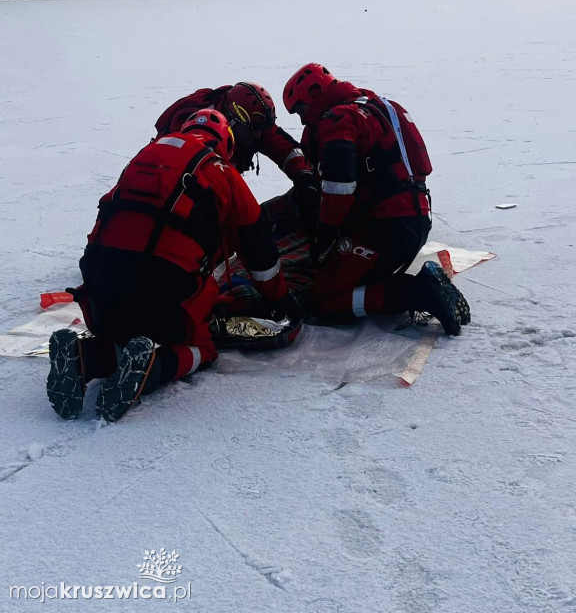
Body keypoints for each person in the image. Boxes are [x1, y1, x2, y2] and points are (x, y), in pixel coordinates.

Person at [47, 110, 301, 423]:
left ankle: (81, 358)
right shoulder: (222, 171)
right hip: (164, 290)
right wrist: (280, 301)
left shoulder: (142, 158)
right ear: (226, 143)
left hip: (99, 288)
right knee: (202, 348)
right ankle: (152, 366)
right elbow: (258, 250)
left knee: (124, 335)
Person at [282, 63, 470, 335]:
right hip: (415, 221)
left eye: (300, 110)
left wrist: (326, 236)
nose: (302, 120)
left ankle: (416, 293)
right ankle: (402, 286)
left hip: (384, 229)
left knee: (323, 299)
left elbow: (338, 189)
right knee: (353, 275)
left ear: (314, 95)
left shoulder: (340, 120)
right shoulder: (380, 105)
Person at [155, 82, 320, 231]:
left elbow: (281, 146)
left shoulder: (252, 120)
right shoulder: (195, 136)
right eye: (253, 130)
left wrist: (303, 176)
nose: (257, 136)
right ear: (232, 123)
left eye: (260, 129)